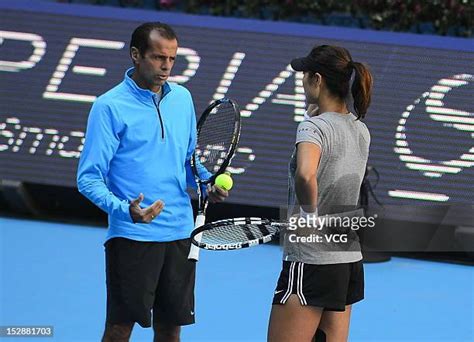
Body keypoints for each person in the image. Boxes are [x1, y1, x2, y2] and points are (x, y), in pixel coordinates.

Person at [77, 22, 227, 342]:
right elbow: (88, 178)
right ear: (136, 55)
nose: (166, 67)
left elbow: (188, 161)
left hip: (180, 232)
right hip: (133, 235)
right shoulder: (109, 107)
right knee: (119, 329)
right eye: (159, 58)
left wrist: (206, 183)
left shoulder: (182, 99)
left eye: (172, 59)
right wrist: (125, 210)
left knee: (170, 330)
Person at [268, 45, 373, 342]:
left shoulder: (312, 128)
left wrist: (309, 215)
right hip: (346, 257)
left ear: (317, 80)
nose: (301, 82)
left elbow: (306, 173)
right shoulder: (360, 129)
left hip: (310, 257)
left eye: (304, 76)